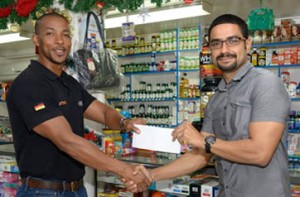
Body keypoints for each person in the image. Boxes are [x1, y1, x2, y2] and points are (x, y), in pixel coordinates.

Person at [125, 14, 291, 197]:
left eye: (233, 41)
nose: (224, 49)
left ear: (248, 44)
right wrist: (151, 175)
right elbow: (200, 155)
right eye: (216, 43)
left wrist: (203, 141)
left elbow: (260, 153)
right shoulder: (215, 100)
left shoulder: (265, 84)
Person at [6, 12, 150, 196]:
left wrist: (125, 123)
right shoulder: (29, 85)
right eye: (50, 34)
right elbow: (67, 142)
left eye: (65, 35)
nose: (60, 41)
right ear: (36, 39)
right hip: (42, 192)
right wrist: (124, 170)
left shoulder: (68, 83)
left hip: (77, 190)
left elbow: (104, 113)